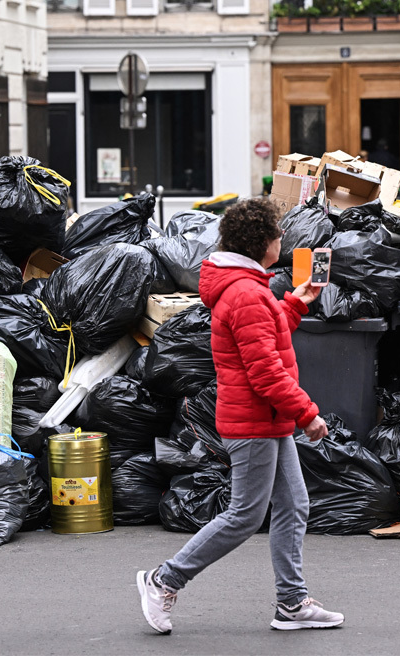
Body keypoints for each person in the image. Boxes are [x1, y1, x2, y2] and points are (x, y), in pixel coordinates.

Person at [137, 197, 344, 635]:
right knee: (245, 515)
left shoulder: (249, 286)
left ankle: (292, 603)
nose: (282, 238)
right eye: (277, 233)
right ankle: (163, 580)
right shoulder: (246, 292)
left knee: (294, 504)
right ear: (261, 242)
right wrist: (307, 414)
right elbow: (264, 370)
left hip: (265, 418)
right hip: (253, 421)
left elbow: (265, 336)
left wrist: (296, 302)